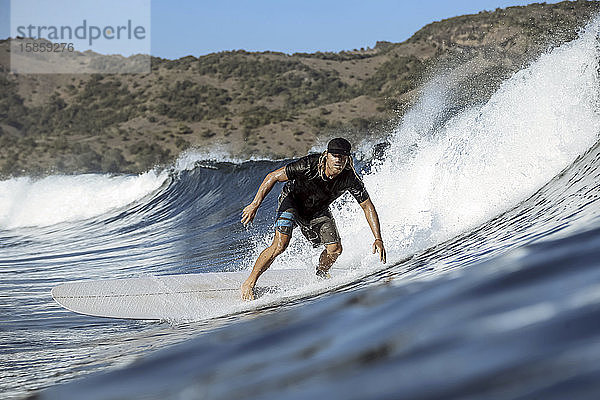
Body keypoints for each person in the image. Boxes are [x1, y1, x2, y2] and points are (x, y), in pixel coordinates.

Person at [240, 137, 386, 300]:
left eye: (343, 156)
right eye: (335, 155)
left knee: (335, 249)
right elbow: (273, 176)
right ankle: (249, 283)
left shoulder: (350, 178)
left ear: (348, 159)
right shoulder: (308, 165)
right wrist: (255, 204)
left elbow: (367, 206)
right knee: (280, 245)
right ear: (327, 155)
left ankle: (321, 274)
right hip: (292, 201)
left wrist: (378, 238)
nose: (338, 160)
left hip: (317, 209)